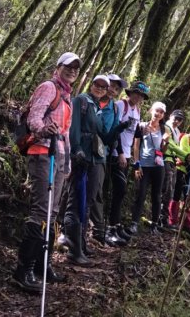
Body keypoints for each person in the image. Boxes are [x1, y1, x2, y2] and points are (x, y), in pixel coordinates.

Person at [12, 51, 81, 293]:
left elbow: (67, 133)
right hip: (42, 152)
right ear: (59, 66)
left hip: (60, 155)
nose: (72, 71)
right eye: (69, 66)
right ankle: (24, 271)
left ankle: (43, 265)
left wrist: (69, 163)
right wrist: (43, 129)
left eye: (76, 68)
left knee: (52, 212)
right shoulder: (48, 87)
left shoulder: (67, 96)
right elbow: (34, 119)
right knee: (41, 210)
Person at [64, 74, 110, 266]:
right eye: (97, 84)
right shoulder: (81, 101)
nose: (99, 88)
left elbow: (101, 133)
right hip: (81, 158)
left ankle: (80, 244)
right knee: (75, 201)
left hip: (93, 158)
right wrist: (76, 150)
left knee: (86, 200)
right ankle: (73, 249)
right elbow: (73, 128)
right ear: (91, 85)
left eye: (103, 87)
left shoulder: (96, 106)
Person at [90, 73, 129, 247]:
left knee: (97, 190)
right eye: (112, 85)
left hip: (102, 153)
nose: (113, 90)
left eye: (117, 88)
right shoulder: (90, 100)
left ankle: (98, 231)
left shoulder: (115, 108)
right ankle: (65, 227)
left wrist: (117, 138)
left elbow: (111, 133)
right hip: (84, 151)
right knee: (79, 190)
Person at [108, 81, 150, 238]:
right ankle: (110, 227)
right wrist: (119, 152)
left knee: (120, 192)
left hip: (126, 155)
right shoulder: (121, 105)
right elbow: (115, 129)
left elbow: (133, 133)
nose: (138, 97)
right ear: (130, 92)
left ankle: (116, 226)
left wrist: (142, 132)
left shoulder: (137, 111)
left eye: (141, 95)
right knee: (118, 190)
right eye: (136, 93)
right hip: (115, 154)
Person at [127, 102, 167, 234]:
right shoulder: (142, 125)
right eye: (157, 111)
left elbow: (163, 150)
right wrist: (137, 165)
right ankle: (134, 224)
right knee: (141, 194)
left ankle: (154, 225)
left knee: (157, 196)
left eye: (161, 112)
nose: (158, 114)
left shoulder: (163, 129)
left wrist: (166, 142)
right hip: (144, 165)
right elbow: (136, 146)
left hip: (158, 166)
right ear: (151, 111)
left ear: (163, 115)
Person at [160, 109, 186, 228]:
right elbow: (171, 145)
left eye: (179, 120)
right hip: (164, 159)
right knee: (166, 189)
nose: (177, 121)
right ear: (170, 116)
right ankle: (161, 218)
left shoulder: (177, 130)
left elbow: (176, 148)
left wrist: (184, 158)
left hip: (173, 162)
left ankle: (164, 218)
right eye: (176, 118)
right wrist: (186, 155)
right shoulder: (166, 127)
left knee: (169, 190)